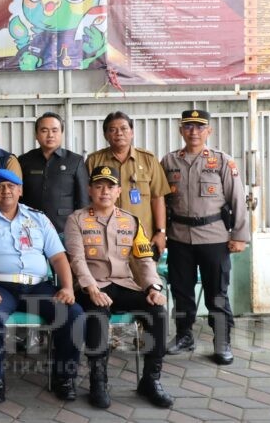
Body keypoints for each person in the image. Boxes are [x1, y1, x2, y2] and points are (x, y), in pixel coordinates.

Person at [0, 169, 82, 404]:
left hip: (37, 286)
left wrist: (67, 288)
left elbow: (57, 256)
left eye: (11, 186)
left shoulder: (38, 218)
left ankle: (64, 378)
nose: (6, 191)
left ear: (20, 190)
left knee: (73, 314)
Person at [63, 166, 174, 409]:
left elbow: (144, 259)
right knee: (97, 314)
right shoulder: (77, 219)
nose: (104, 191)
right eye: (99, 186)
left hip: (123, 284)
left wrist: (153, 287)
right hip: (91, 286)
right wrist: (91, 288)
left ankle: (150, 380)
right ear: (90, 190)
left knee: (157, 312)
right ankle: (98, 382)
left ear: (118, 191)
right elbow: (77, 260)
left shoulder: (131, 221)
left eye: (110, 186)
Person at [161, 109, 250, 365]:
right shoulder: (169, 162)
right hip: (179, 238)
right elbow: (160, 201)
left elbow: (238, 200)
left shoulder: (222, 161)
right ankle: (184, 335)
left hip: (214, 238)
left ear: (208, 131)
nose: (194, 132)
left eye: (200, 127)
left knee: (217, 294)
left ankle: (222, 341)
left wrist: (239, 236)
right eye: (188, 126)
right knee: (182, 292)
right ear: (181, 130)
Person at [86, 111, 170, 259]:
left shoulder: (148, 160)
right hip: (104, 239)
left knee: (144, 279)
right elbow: (86, 199)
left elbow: (157, 198)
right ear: (106, 135)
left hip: (142, 239)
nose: (119, 133)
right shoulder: (94, 161)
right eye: (112, 129)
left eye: (124, 128)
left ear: (132, 132)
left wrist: (161, 232)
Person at [19, 112, 89, 235]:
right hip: (30, 227)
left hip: (64, 227)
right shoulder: (24, 160)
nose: (50, 135)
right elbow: (18, 196)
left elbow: (83, 199)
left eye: (55, 130)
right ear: (36, 135)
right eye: (44, 130)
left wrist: (81, 228)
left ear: (61, 133)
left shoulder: (75, 160)